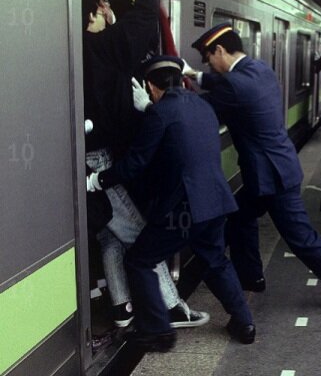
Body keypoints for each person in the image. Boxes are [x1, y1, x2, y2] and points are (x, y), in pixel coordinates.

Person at [188, 23, 321, 317]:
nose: (209, 65)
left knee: (300, 237)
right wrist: (194, 75)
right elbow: (223, 83)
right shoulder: (259, 70)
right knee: (240, 217)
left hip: (271, 176)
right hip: (273, 168)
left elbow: (199, 108)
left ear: (219, 51)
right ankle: (251, 277)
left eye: (209, 59)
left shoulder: (235, 85)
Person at [86, 56, 254, 350]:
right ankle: (245, 322)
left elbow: (135, 163)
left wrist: (98, 180)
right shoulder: (203, 105)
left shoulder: (159, 113)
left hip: (184, 210)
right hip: (216, 201)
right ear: (180, 80)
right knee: (215, 260)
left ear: (151, 85)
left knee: (139, 260)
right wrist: (152, 109)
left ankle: (158, 331)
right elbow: (181, 131)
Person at [82, 0, 207, 329]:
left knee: (110, 235)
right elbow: (137, 28)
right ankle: (169, 307)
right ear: (93, 12)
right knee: (140, 235)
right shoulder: (99, 47)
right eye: (102, 5)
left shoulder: (73, 48)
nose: (107, 10)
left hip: (90, 157)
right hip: (100, 161)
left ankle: (122, 309)